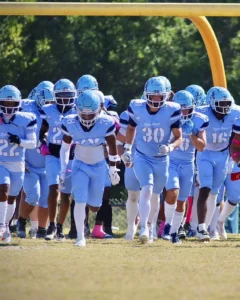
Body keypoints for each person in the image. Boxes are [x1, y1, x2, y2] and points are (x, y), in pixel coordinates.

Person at [122, 77, 182, 244]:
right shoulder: (136, 106)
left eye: (159, 96)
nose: (156, 99)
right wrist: (127, 148)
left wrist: (170, 147)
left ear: (165, 96)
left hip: (162, 159)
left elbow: (179, 137)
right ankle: (143, 228)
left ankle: (150, 225)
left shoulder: (172, 110)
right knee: (146, 189)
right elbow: (131, 128)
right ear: (146, 95)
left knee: (156, 195)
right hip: (142, 156)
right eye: (153, 96)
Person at [60, 89, 120, 247]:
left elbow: (112, 147)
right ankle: (80, 237)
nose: (86, 117)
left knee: (94, 206)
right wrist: (62, 169)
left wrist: (113, 169)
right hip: (79, 165)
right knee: (79, 200)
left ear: (99, 110)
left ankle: (87, 209)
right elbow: (65, 148)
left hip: (99, 166)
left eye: (90, 114)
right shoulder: (70, 122)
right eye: (83, 113)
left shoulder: (106, 122)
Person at [163, 90, 208, 244]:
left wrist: (191, 135)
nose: (183, 112)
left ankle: (175, 232)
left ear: (192, 107)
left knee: (182, 201)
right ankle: (168, 225)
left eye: (186, 108)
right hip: (171, 161)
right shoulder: (168, 116)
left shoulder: (199, 120)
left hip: (188, 164)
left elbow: (202, 147)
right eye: (180, 109)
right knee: (172, 192)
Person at [195, 87, 240, 241]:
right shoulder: (201, 112)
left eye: (227, 103)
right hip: (205, 153)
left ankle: (210, 228)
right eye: (221, 103)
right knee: (205, 187)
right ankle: (202, 227)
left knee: (215, 193)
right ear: (211, 102)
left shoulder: (235, 112)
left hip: (223, 154)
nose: (225, 107)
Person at [40, 78, 76, 241]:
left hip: (71, 154)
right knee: (54, 188)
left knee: (66, 193)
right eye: (61, 95)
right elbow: (42, 129)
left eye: (68, 95)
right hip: (53, 153)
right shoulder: (48, 109)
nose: (65, 99)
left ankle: (60, 226)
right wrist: (41, 142)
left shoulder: (78, 110)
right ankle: (52, 225)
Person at [0, 85, 37, 243]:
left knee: (12, 198)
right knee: (4, 189)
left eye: (12, 103)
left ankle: (5, 226)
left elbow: (33, 143)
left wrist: (20, 141)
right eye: (5, 103)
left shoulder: (26, 119)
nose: (8, 107)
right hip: (1, 161)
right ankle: (1, 226)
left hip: (17, 164)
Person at [17, 86, 55, 239]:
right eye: (49, 101)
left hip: (48, 164)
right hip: (29, 163)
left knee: (46, 199)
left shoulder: (57, 112)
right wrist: (20, 159)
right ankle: (20, 221)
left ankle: (41, 230)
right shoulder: (26, 109)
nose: (52, 104)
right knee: (33, 196)